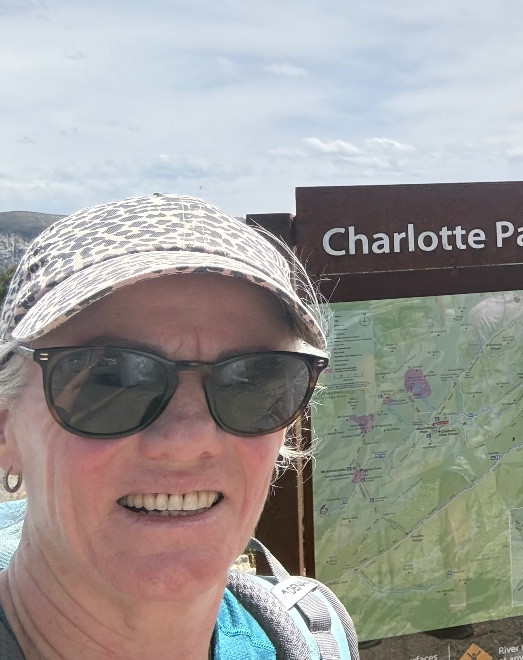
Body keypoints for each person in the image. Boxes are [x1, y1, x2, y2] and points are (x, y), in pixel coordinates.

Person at [0, 193, 352, 659]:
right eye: (110, 379)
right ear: (5, 427)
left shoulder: (316, 639)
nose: (189, 439)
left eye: (253, 379)